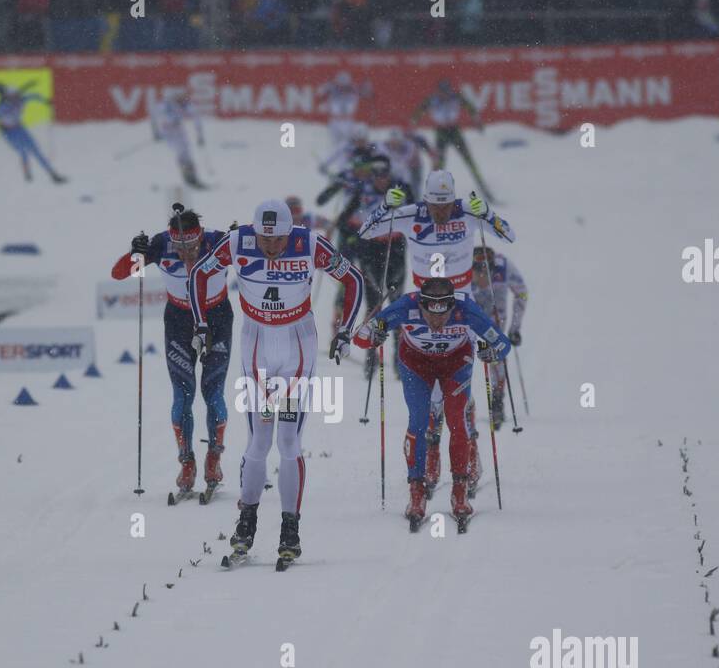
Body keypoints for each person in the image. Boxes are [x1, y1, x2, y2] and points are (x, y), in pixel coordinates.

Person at [187, 199, 364, 564]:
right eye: (265, 240)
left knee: (288, 441)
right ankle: (247, 520)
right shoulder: (239, 242)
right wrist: (200, 323)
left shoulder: (308, 243)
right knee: (258, 440)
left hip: (297, 347)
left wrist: (345, 331)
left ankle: (290, 527)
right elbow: (198, 275)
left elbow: (353, 278)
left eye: (278, 240)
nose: (271, 247)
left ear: (289, 232)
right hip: (257, 349)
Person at [358, 169, 514, 493]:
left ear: (453, 199)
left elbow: (508, 234)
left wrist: (488, 214)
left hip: (461, 306)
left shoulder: (467, 214)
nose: (440, 213)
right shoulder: (411, 214)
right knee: (427, 395)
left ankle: (469, 459)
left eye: (445, 206)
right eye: (434, 206)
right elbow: (365, 231)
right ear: (425, 200)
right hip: (421, 306)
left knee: (459, 395)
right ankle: (430, 457)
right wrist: (385, 207)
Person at [350, 277, 511, 528]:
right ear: (421, 306)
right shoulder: (406, 306)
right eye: (430, 315)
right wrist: (374, 334)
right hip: (416, 363)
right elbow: (360, 338)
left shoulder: (465, 308)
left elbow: (503, 343)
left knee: (457, 420)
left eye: (443, 315)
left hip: (456, 363)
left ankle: (460, 490)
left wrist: (492, 352)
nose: (436, 322)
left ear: (451, 306)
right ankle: (416, 490)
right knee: (419, 420)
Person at [111, 204, 230, 498]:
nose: (184, 251)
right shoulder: (161, 244)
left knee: (213, 393)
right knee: (183, 394)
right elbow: (119, 273)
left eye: (190, 244)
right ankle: (186, 462)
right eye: (178, 245)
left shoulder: (218, 242)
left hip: (216, 319)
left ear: (200, 236)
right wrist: (135, 253)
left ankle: (213, 459)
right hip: (179, 321)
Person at [316, 155, 412, 378]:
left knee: (397, 303)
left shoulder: (402, 188)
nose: (380, 179)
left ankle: (400, 358)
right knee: (373, 304)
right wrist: (351, 238)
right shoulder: (364, 189)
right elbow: (344, 218)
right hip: (371, 251)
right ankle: (371, 357)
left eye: (384, 174)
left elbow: (419, 212)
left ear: (390, 173)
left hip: (395, 249)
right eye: (376, 174)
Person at [470, 245, 529, 430]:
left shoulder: (504, 267)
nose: (483, 280)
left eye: (487, 274)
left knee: (497, 360)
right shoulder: (461, 269)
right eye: (478, 274)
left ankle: (497, 402)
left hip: (495, 324)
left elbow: (522, 292)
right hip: (469, 322)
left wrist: (514, 328)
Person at [411, 80, 493, 201]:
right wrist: (414, 123)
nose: (445, 94)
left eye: (447, 91)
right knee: (438, 165)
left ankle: (484, 189)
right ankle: (431, 193)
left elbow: (471, 109)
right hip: (441, 133)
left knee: (469, 160)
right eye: (442, 92)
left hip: (454, 131)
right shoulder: (432, 100)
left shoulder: (456, 97)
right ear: (438, 91)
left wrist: (477, 121)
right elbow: (418, 113)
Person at [0, 86, 66, 183]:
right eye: (13, 97)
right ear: (8, 97)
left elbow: (33, 96)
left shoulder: (21, 100)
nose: (15, 99)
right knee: (23, 151)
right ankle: (27, 173)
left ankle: (53, 174)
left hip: (19, 128)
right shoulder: (4, 107)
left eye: (16, 96)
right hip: (9, 133)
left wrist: (45, 101)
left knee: (36, 151)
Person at [151, 91, 207, 189]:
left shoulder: (184, 104)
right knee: (181, 154)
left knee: (187, 154)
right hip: (169, 134)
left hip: (180, 132)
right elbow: (157, 116)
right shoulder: (166, 105)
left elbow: (196, 117)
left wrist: (200, 135)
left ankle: (192, 178)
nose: (182, 101)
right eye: (179, 98)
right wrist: (156, 133)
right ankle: (188, 178)